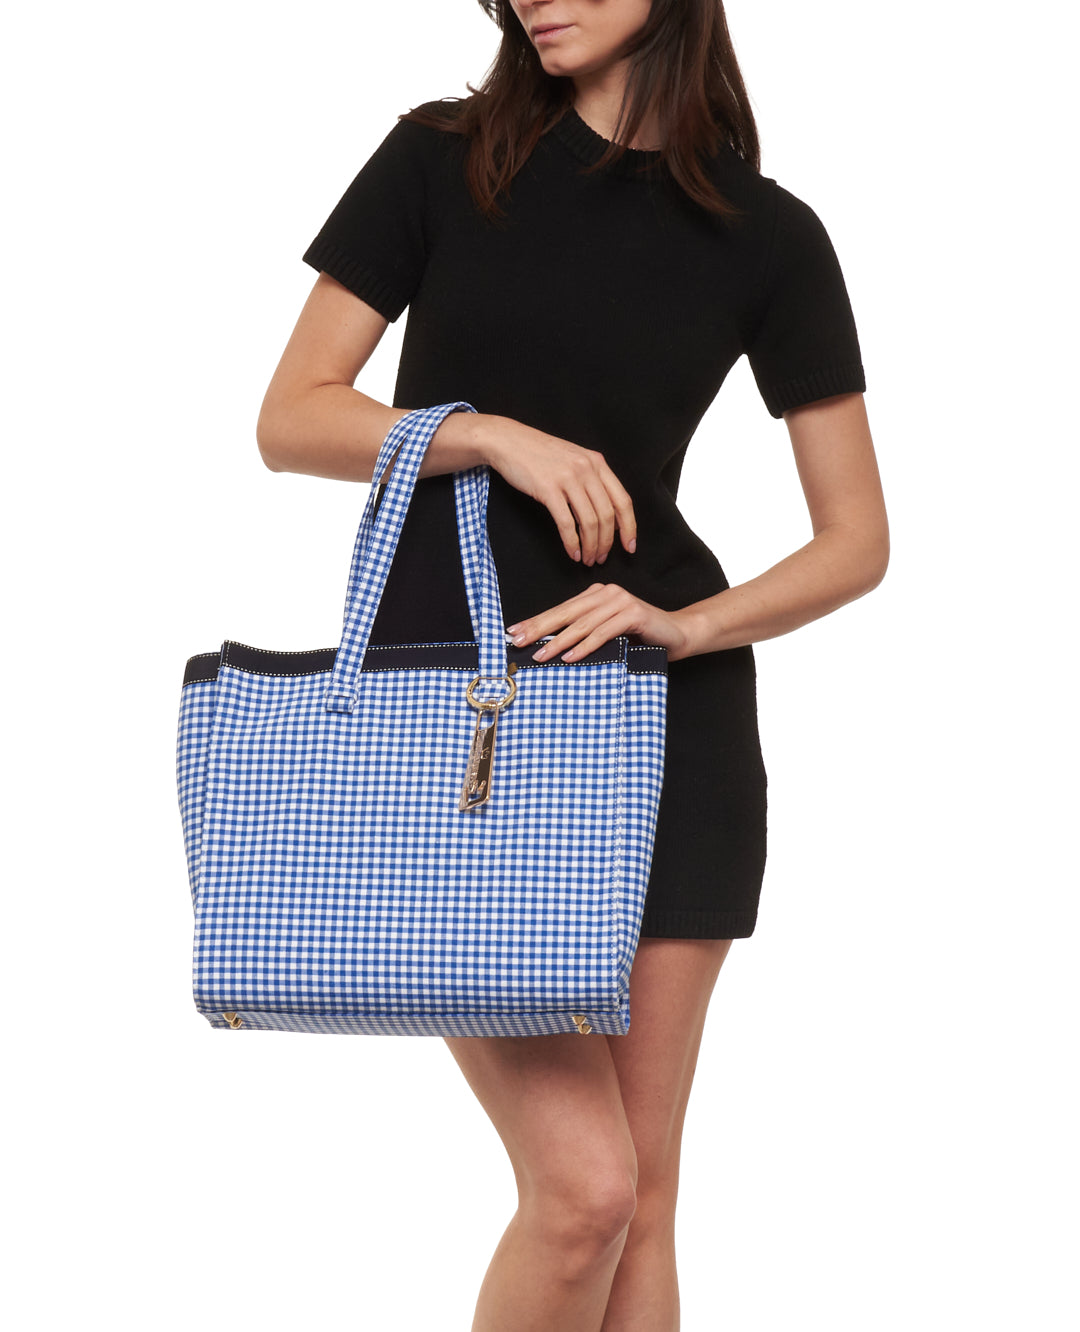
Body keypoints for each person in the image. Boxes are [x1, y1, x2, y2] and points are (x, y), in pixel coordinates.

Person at [255, 1, 889, 1326]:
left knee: (644, 1200)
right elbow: (292, 416)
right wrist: (488, 434)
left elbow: (857, 540)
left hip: (666, 720)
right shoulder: (443, 158)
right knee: (585, 1190)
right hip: (457, 722)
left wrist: (690, 626)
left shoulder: (770, 235)